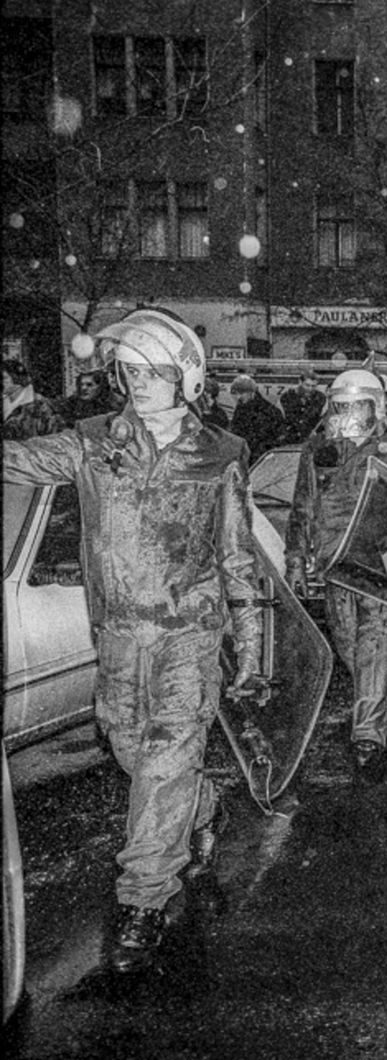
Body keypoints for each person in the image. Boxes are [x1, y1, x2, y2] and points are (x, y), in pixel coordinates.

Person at [2, 308, 262, 973]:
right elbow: (18, 459)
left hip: (189, 634)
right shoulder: (92, 442)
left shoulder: (221, 453)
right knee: (127, 747)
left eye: (155, 372)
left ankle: (143, 897)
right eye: (132, 371)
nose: (140, 383)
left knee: (164, 758)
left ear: (184, 378)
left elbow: (237, 556)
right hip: (117, 636)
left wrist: (251, 644)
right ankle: (200, 807)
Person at [286, 368, 387, 775]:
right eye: (342, 406)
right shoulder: (318, 450)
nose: (348, 414)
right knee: (350, 645)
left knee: (375, 640)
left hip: (376, 569)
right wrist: (296, 560)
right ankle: (375, 704)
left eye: (357, 406)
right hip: (334, 566)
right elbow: (303, 508)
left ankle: (368, 731)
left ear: (376, 407)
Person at [228, 373, 285, 462]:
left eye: (242, 393)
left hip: (260, 458)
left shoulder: (270, 412)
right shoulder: (241, 409)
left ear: (252, 393)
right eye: (236, 394)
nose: (238, 397)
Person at [2, 357, 64, 440]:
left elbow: (55, 439)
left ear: (17, 378)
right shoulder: (4, 402)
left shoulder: (40, 405)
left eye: (4, 378)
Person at [279, 370, 327, 443]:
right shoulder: (287, 396)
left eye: (313, 386)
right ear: (300, 382)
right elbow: (280, 417)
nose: (310, 389)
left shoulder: (320, 398)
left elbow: (323, 419)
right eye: (307, 385)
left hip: (312, 439)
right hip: (290, 437)